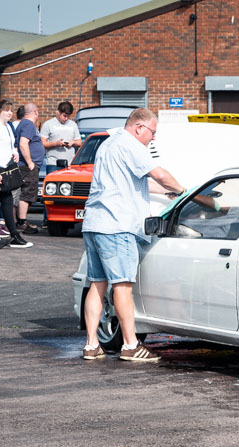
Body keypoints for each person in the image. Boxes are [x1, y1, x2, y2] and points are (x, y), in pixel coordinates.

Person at [81, 108, 185, 362]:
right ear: (139, 128)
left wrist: (166, 193)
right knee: (122, 285)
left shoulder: (109, 144)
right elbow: (159, 173)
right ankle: (130, 345)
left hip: (94, 223)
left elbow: (134, 181)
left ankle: (91, 345)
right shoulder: (132, 145)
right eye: (152, 132)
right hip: (117, 226)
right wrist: (183, 190)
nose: (153, 137)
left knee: (97, 284)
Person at [0, 99, 32, 248]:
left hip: (6, 168)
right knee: (1, 201)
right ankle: (14, 235)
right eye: (7, 110)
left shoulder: (7, 126)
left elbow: (11, 144)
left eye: (11, 110)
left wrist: (14, 152)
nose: (10, 113)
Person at [15, 102, 43, 234]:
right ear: (35, 112)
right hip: (27, 166)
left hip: (26, 165)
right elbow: (23, 143)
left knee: (26, 194)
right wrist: (30, 162)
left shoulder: (23, 124)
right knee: (27, 194)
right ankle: (22, 223)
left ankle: (21, 221)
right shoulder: (28, 124)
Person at [40, 101, 82, 175]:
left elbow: (79, 142)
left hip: (70, 164)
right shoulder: (48, 124)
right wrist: (56, 144)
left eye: (68, 116)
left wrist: (73, 143)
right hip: (53, 163)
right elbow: (42, 143)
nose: (66, 119)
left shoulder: (73, 125)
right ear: (58, 112)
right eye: (64, 116)